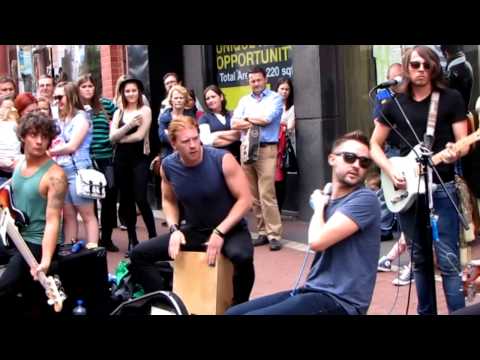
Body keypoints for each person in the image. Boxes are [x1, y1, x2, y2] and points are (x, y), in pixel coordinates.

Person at [226, 130, 380, 315]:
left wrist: (319, 207)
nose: (356, 165)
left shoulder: (365, 199)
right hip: (313, 291)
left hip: (341, 301)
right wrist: (324, 203)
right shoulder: (329, 198)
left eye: (364, 162)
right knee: (233, 313)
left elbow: (317, 242)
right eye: (349, 157)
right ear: (332, 159)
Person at [370, 45, 468, 314]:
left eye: (427, 65)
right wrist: (390, 172)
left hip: (441, 187)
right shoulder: (394, 105)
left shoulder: (451, 98)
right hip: (406, 190)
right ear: (406, 67)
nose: (421, 70)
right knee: (420, 259)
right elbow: (374, 145)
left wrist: (451, 154)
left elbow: (464, 144)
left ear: (435, 67)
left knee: (448, 261)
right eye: (415, 65)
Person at [130, 116, 255, 305]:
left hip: (230, 229)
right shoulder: (168, 166)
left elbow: (246, 200)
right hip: (195, 230)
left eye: (196, 138)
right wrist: (174, 229)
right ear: (173, 144)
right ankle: (168, 304)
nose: (193, 145)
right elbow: (169, 200)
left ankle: (239, 306)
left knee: (242, 257)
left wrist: (219, 232)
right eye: (186, 141)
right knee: (139, 255)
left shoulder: (223, 159)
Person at [0, 111, 67, 315]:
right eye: (33, 135)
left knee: (4, 289)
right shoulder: (19, 164)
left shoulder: (55, 176)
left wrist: (46, 260)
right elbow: (12, 195)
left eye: (44, 136)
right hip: (14, 236)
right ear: (23, 136)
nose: (39, 141)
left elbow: (53, 221)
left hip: (37, 243)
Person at [231, 66, 284, 251]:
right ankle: (262, 232)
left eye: (258, 80)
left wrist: (246, 119)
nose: (255, 84)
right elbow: (234, 123)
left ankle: (274, 235)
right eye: (252, 81)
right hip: (246, 148)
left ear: (265, 79)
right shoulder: (244, 100)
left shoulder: (275, 98)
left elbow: (267, 119)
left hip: (266, 149)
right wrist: (252, 119)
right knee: (253, 195)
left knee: (266, 193)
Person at [48, 82, 99, 246]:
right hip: (62, 170)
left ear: (70, 96)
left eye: (59, 97)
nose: (56, 101)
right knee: (69, 215)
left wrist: (48, 153)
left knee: (87, 215)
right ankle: (69, 253)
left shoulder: (82, 117)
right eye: (55, 97)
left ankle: (93, 253)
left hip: (79, 169)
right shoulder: (61, 119)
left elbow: (72, 146)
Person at [110, 76, 157, 252]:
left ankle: (153, 236)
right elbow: (111, 137)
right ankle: (132, 239)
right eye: (127, 91)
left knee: (141, 197)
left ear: (139, 92)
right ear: (122, 93)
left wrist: (119, 137)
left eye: (134, 90)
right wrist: (129, 125)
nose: (130, 94)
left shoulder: (145, 110)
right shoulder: (118, 113)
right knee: (127, 200)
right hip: (121, 160)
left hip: (140, 158)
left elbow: (139, 136)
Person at [77, 73, 119, 252]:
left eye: (90, 86)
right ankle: (92, 238)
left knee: (109, 198)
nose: (88, 89)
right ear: (78, 89)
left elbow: (120, 114)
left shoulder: (105, 104)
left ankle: (107, 237)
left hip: (106, 158)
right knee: (89, 199)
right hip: (86, 159)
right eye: (84, 86)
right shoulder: (76, 108)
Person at [198, 85, 241, 161]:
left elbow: (240, 134)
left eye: (213, 96)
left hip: (237, 158)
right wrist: (233, 136)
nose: (210, 100)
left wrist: (217, 135)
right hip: (216, 160)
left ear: (221, 97)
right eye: (207, 99)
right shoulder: (204, 118)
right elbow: (207, 141)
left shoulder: (233, 114)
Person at [157, 85, 196, 161]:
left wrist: (171, 134)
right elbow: (162, 137)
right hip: (168, 154)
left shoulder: (190, 115)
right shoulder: (164, 117)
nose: (178, 100)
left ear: (185, 100)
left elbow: (194, 134)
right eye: (176, 98)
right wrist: (184, 138)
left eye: (181, 98)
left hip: (188, 153)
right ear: (171, 100)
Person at [274, 77, 295, 210]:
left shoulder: (292, 107)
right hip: (270, 147)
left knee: (281, 180)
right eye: (282, 88)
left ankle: (279, 209)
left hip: (283, 149)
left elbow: (290, 126)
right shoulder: (270, 105)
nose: (284, 91)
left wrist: (280, 126)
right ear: (276, 90)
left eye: (287, 89)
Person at [0, 97, 21, 185]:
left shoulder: (17, 125)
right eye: (6, 107)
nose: (9, 110)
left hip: (16, 166)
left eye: (11, 107)